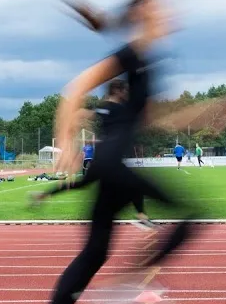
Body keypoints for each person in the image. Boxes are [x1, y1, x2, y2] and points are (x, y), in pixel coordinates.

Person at [16, 0, 207, 304]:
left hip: (109, 164)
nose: (168, 11)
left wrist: (201, 115)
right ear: (141, 14)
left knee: (93, 254)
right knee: (195, 212)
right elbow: (74, 91)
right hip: (114, 164)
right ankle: (132, 280)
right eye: (159, 5)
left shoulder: (146, 62)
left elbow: (150, 121)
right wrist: (67, 141)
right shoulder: (130, 53)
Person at [29, 79, 157, 232]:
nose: (125, 93)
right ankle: (141, 216)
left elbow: (81, 114)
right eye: (124, 90)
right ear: (117, 90)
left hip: (103, 157)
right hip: (110, 158)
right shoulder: (118, 108)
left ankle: (43, 195)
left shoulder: (103, 108)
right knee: (136, 183)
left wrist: (70, 137)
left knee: (82, 183)